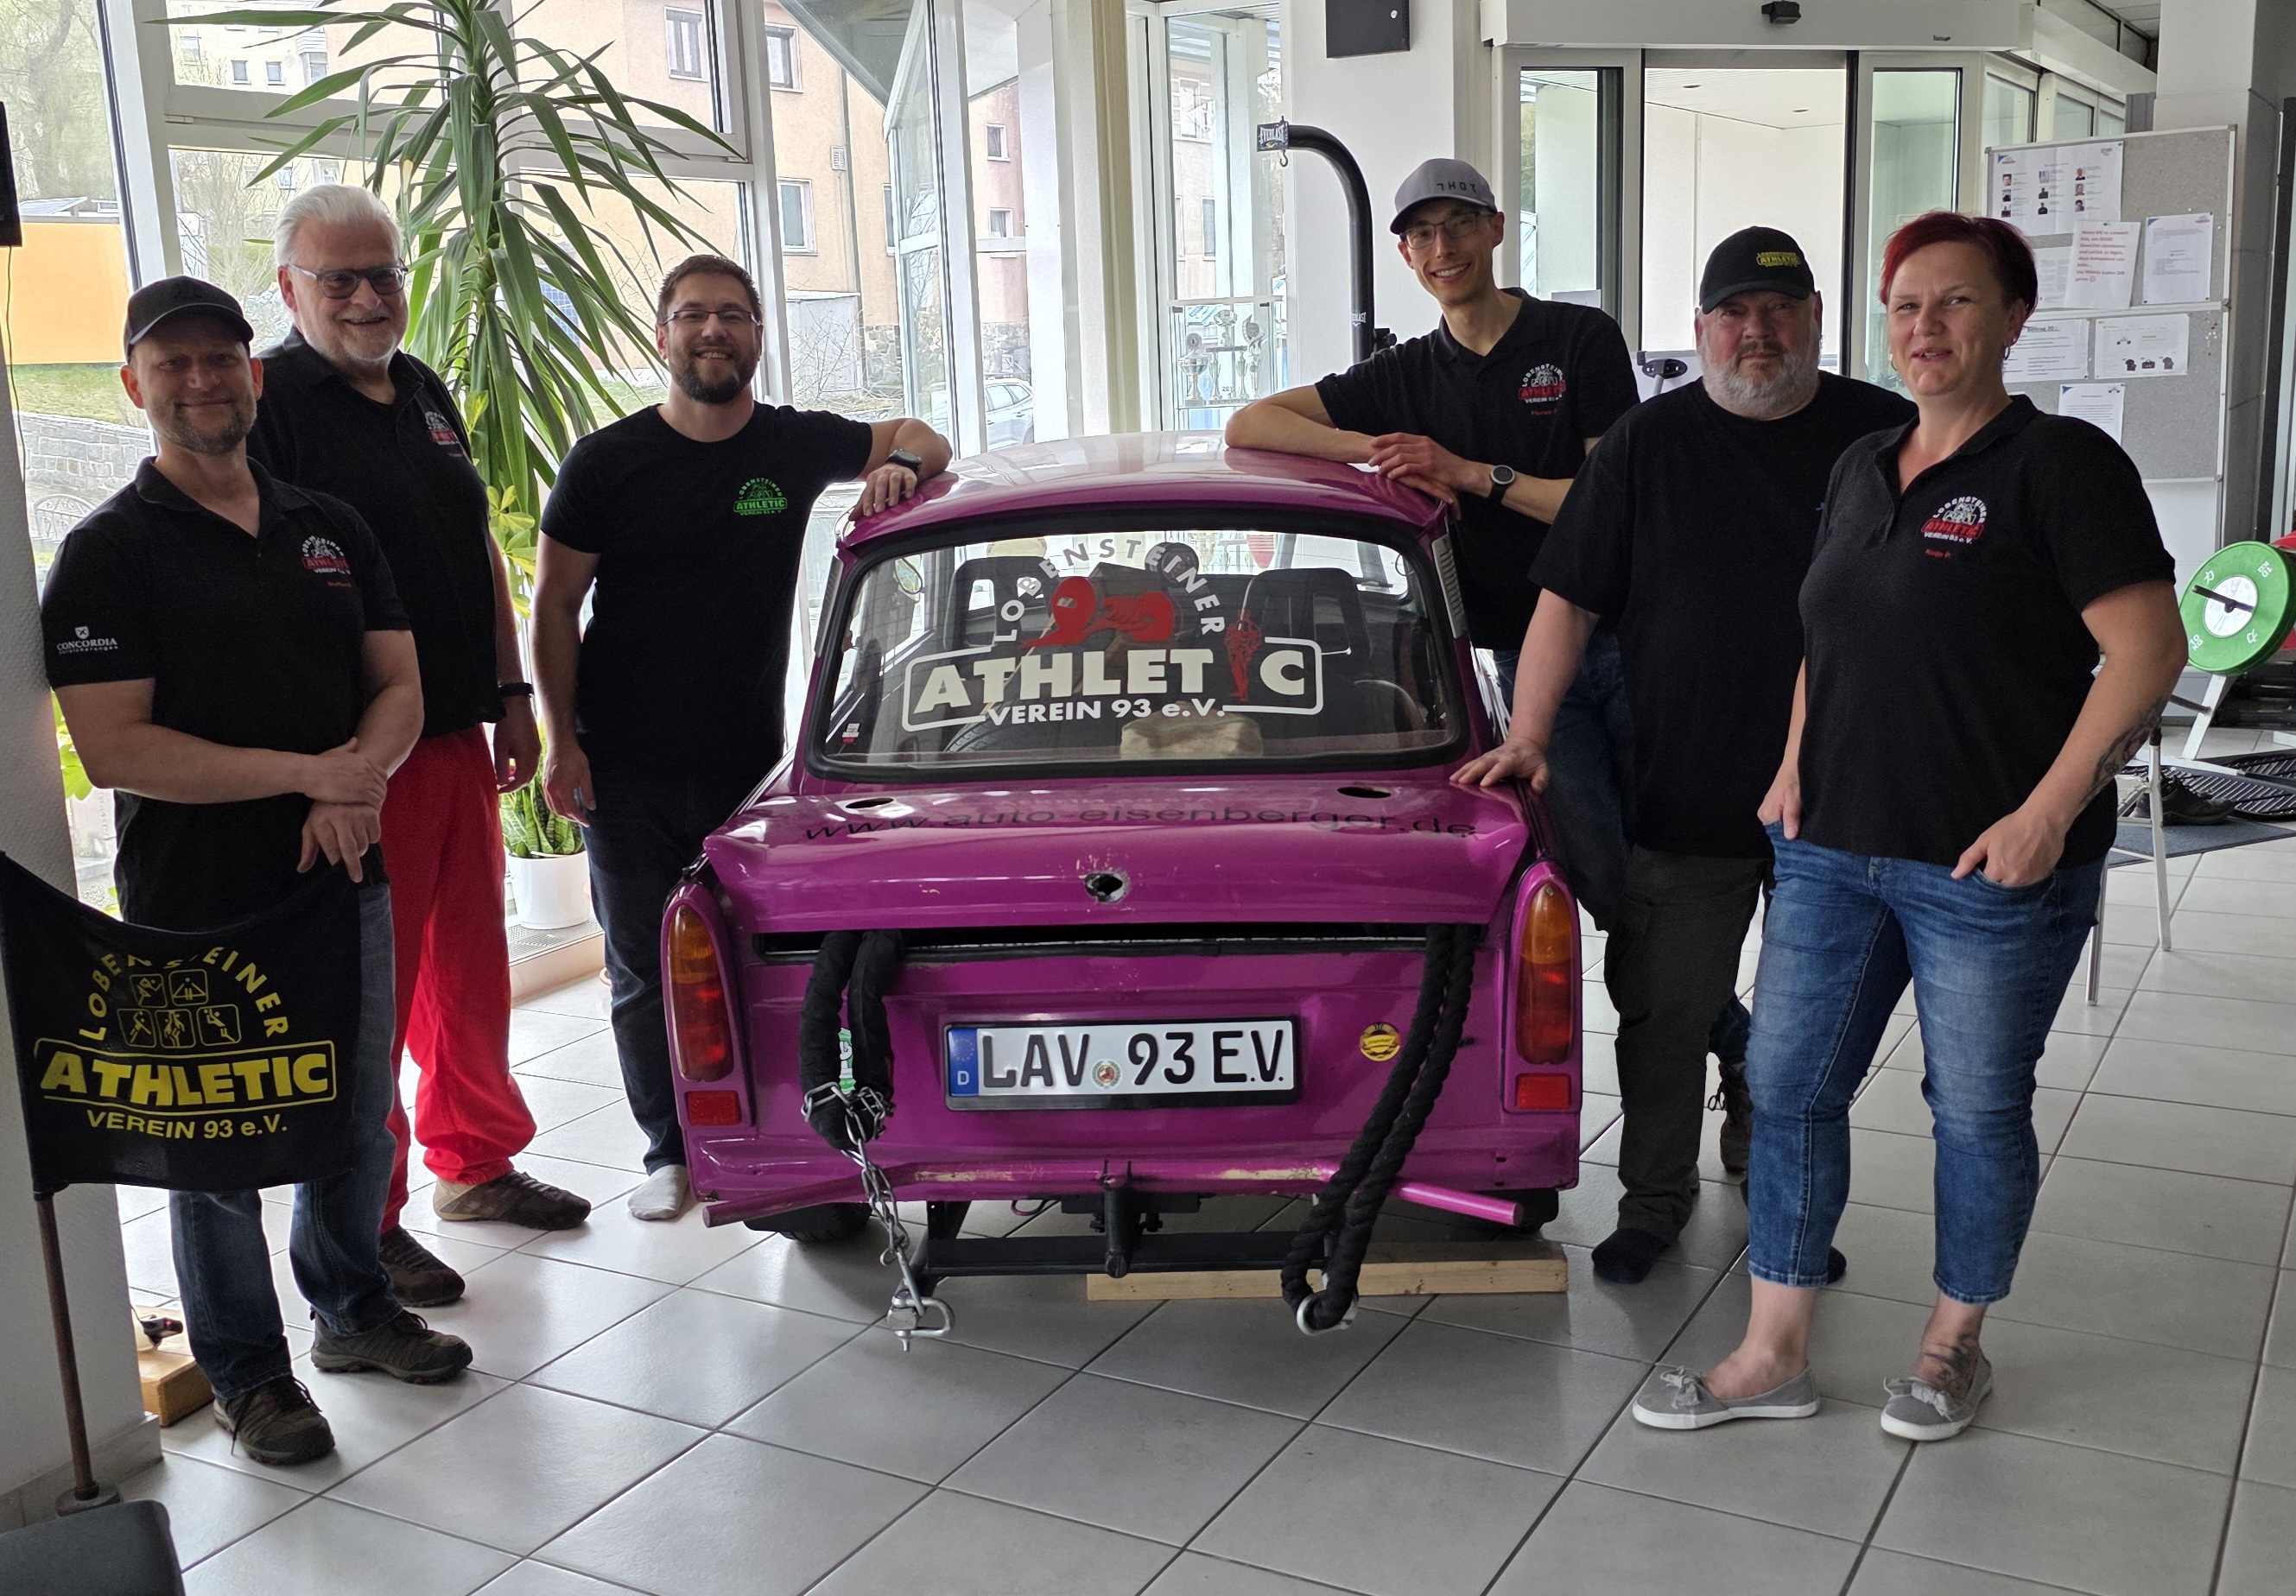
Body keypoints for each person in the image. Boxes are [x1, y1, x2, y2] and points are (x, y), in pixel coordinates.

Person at [1630, 212, 2184, 1438]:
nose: (1925, 326)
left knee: (1972, 1108)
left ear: (2013, 318)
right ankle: (1772, 1351)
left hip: (1988, 868)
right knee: (1788, 1087)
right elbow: (1825, 638)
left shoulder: (2061, 466)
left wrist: (2048, 814)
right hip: (1832, 850)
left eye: (1956, 302)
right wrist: (1791, 768)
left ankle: (1951, 1346)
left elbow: (2149, 651)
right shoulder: (1861, 464)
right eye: (1905, 306)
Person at [41, 278, 473, 1468]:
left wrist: (355, 780)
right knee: (213, 1151)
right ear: (133, 385)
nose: (201, 380)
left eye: (219, 357)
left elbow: (402, 686)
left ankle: (353, 1309)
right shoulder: (107, 553)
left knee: (352, 1113)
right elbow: (117, 748)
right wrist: (312, 776)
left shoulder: (329, 526)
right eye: (172, 363)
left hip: (343, 874)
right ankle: (247, 1373)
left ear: (256, 373)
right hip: (193, 901)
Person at [1455, 229, 1915, 1284]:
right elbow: (1565, 601)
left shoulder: (1882, 435)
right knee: (1661, 1014)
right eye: (1735, 313)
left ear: (1815, 320)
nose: (1759, 332)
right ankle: (1654, 1202)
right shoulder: (1644, 444)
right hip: (1688, 788)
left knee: (1807, 1035)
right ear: (1701, 329)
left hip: (1841, 801)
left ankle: (1787, 1209)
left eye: (1780, 310)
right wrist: (1528, 735)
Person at [535, 254, 952, 1221]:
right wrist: (562, 742)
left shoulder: (792, 445)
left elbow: (922, 434)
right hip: (622, 759)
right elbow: (553, 607)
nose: (712, 331)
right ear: (663, 336)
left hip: (750, 769)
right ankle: (669, 1152)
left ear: (759, 335)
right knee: (643, 967)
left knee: (757, 961)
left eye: (731, 314)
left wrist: (902, 465)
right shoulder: (605, 462)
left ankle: (773, 1134)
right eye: (692, 315)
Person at [248, 184, 588, 1313]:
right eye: (338, 278)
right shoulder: (273, 406)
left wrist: (512, 692)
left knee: (468, 971)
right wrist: (321, 765)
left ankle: (476, 1165)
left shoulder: (423, 389)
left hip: (454, 734)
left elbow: (474, 545)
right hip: (359, 756)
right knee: (374, 999)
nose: (366, 297)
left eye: (382, 274)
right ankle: (373, 1218)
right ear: (289, 287)